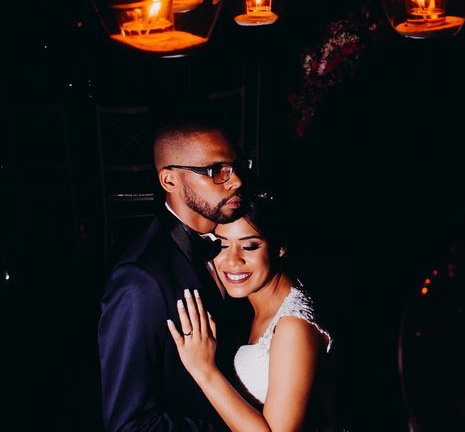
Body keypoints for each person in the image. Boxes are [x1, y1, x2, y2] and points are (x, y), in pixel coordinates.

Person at [99, 120, 251, 430]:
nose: (235, 181)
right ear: (169, 180)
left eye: (234, 167)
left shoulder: (230, 240)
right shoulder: (139, 283)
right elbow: (130, 425)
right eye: (216, 170)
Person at [168, 193, 332, 432]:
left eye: (249, 246)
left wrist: (205, 371)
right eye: (222, 245)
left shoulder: (292, 327)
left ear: (280, 247)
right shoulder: (253, 304)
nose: (232, 260)